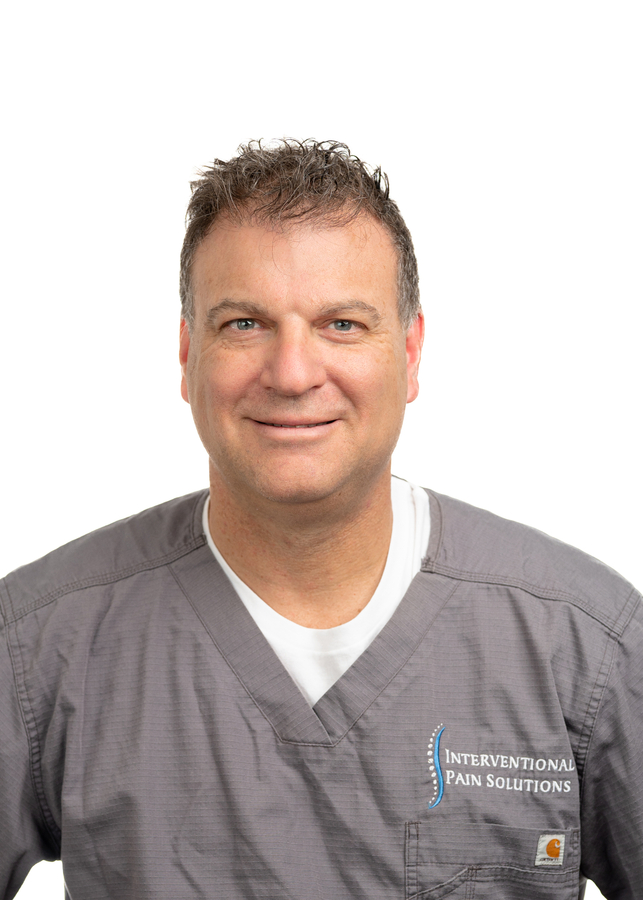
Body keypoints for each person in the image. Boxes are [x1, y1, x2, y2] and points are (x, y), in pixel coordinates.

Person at [1, 140, 640, 900]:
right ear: (187, 353)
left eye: (341, 324)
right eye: (244, 323)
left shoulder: (585, 646)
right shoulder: (38, 648)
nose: (294, 373)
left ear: (410, 352)